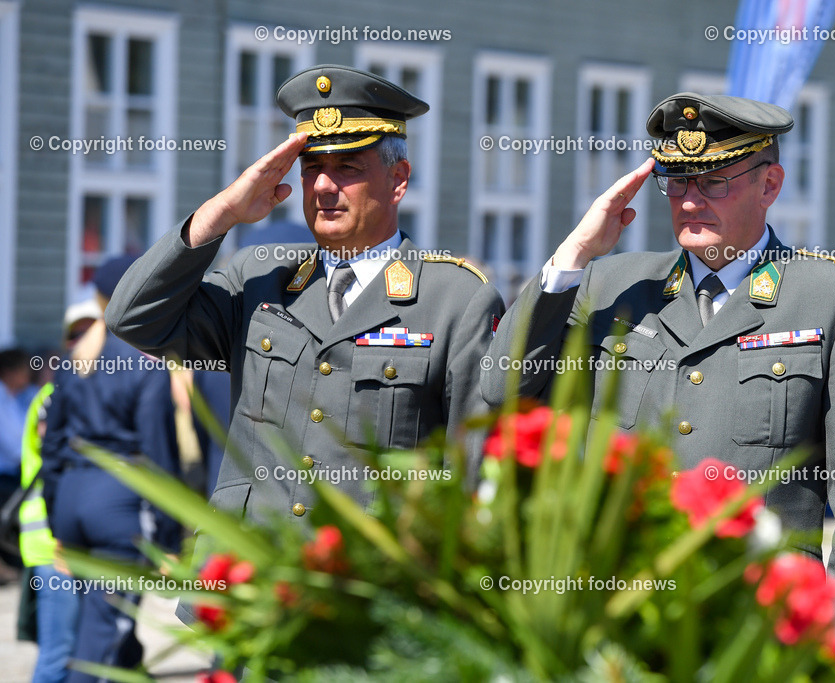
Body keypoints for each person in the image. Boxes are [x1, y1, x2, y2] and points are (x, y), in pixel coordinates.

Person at [482, 92, 835, 655]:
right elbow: (503, 386)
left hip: (759, 627)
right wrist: (576, 253)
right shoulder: (612, 285)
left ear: (769, 185)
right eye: (676, 183)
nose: (689, 202)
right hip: (619, 619)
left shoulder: (833, 299)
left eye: (714, 182)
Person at [106, 65, 504, 524]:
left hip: (359, 586)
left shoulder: (454, 300)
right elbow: (133, 317)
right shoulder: (260, 275)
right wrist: (222, 213)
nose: (322, 186)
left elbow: (472, 470)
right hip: (241, 579)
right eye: (312, 167)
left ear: (398, 179)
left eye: (348, 167)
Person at [41, 256, 182, 682]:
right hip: (117, 507)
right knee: (106, 634)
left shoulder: (75, 358)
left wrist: (56, 526)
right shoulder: (145, 362)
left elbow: (52, 449)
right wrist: (170, 536)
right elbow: (158, 458)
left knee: (98, 627)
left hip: (71, 499)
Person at [18, 300, 100, 683]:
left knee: (92, 654)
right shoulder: (55, 396)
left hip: (86, 539)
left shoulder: (97, 391)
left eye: (92, 331)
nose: (83, 342)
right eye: (76, 335)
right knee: (59, 656)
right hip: (53, 542)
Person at [0, 347, 33, 580]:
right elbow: (15, 447)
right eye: (24, 370)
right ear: (10, 372)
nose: (28, 375)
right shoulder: (2, 398)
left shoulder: (15, 397)